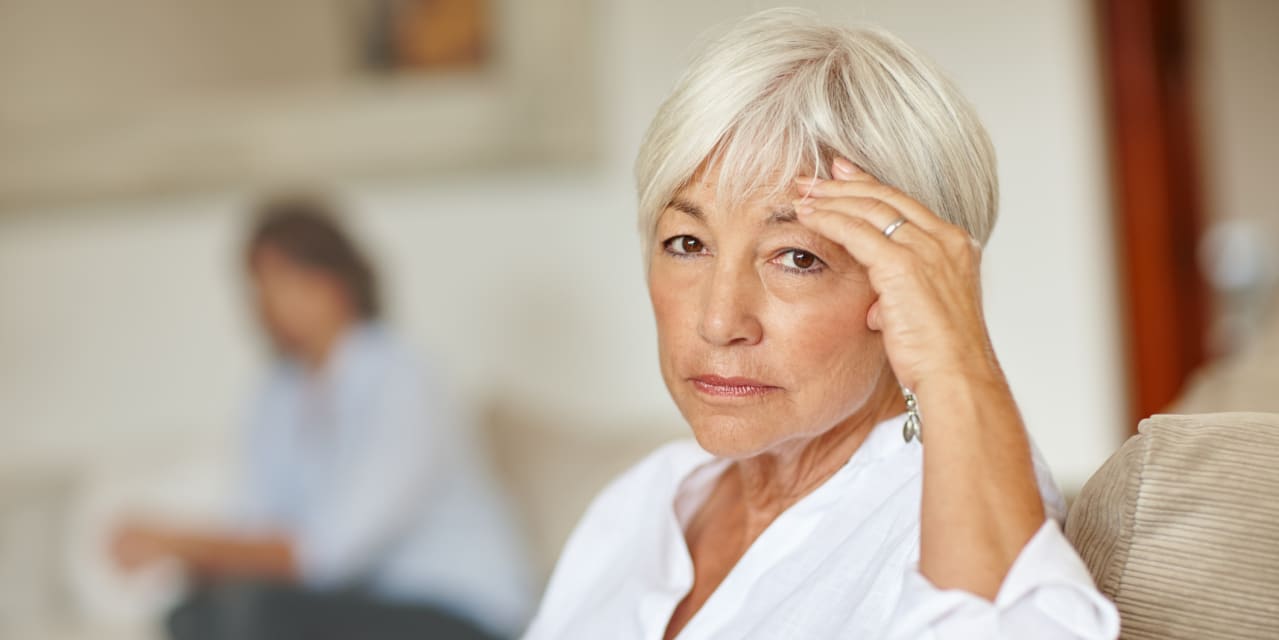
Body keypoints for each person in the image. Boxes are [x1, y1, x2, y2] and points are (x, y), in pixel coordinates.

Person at [524, 9, 1120, 639]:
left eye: (797, 257)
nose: (720, 320)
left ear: (913, 285)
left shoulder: (953, 509)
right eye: (687, 244)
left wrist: (958, 358)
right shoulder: (643, 500)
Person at [111, 197, 532, 640]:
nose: (270, 302)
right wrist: (199, 563)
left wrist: (177, 542)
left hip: (454, 611)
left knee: (263, 612)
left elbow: (328, 555)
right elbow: (257, 529)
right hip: (357, 607)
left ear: (338, 281)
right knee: (193, 616)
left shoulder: (401, 378)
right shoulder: (275, 396)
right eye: (260, 286)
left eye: (287, 280)